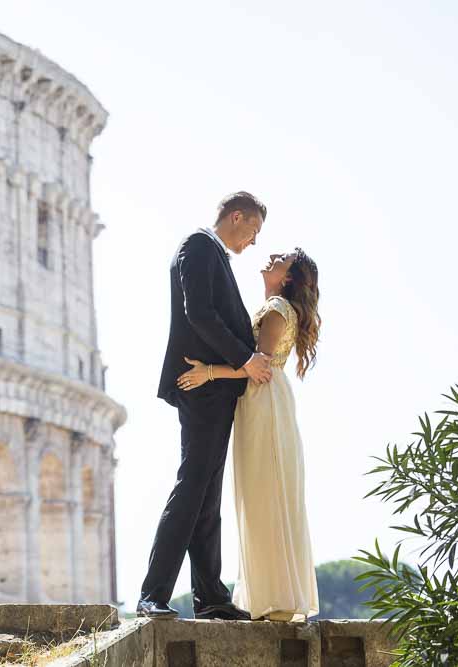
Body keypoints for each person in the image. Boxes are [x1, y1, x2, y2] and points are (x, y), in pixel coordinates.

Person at [136, 192, 270, 620]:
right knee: (192, 487)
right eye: (253, 230)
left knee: (206, 494)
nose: (252, 242)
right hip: (202, 387)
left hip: (216, 391)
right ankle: (152, 594)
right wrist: (246, 359)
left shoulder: (212, 253)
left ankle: (210, 597)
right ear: (236, 217)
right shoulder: (198, 245)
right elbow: (200, 314)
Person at [177, 248, 321, 621]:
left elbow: (257, 366)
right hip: (265, 401)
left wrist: (207, 372)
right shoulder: (276, 307)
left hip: (264, 400)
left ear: (288, 278)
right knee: (265, 495)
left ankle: (276, 598)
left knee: (264, 495)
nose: (272, 255)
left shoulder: (276, 308)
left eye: (283, 259)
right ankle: (275, 595)